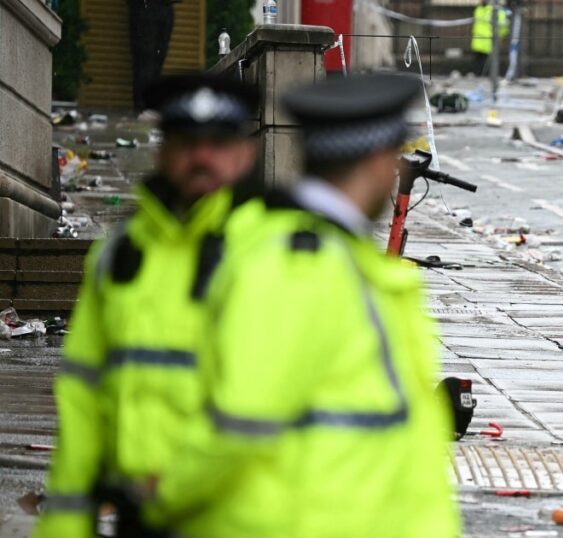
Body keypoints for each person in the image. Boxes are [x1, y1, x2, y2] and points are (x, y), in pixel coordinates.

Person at [144, 74, 459, 536]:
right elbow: (240, 418)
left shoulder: (343, 260)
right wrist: (160, 499)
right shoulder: (300, 268)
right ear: (379, 159)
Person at [35, 74, 258, 537]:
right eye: (186, 142)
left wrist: (177, 485)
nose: (202, 157)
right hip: (137, 518)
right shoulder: (119, 256)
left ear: (244, 155)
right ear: (162, 152)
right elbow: (82, 403)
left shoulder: (277, 256)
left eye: (218, 143)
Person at [129, 0, 177, 111]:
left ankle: (149, 103)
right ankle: (143, 104)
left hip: (163, 7)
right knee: (145, 58)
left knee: (157, 58)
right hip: (144, 6)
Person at [471, 0, 509, 76]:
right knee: (478, 65)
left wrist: (499, 37)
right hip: (477, 42)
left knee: (489, 66)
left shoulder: (497, 11)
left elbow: (504, 27)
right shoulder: (478, 9)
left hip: (489, 43)